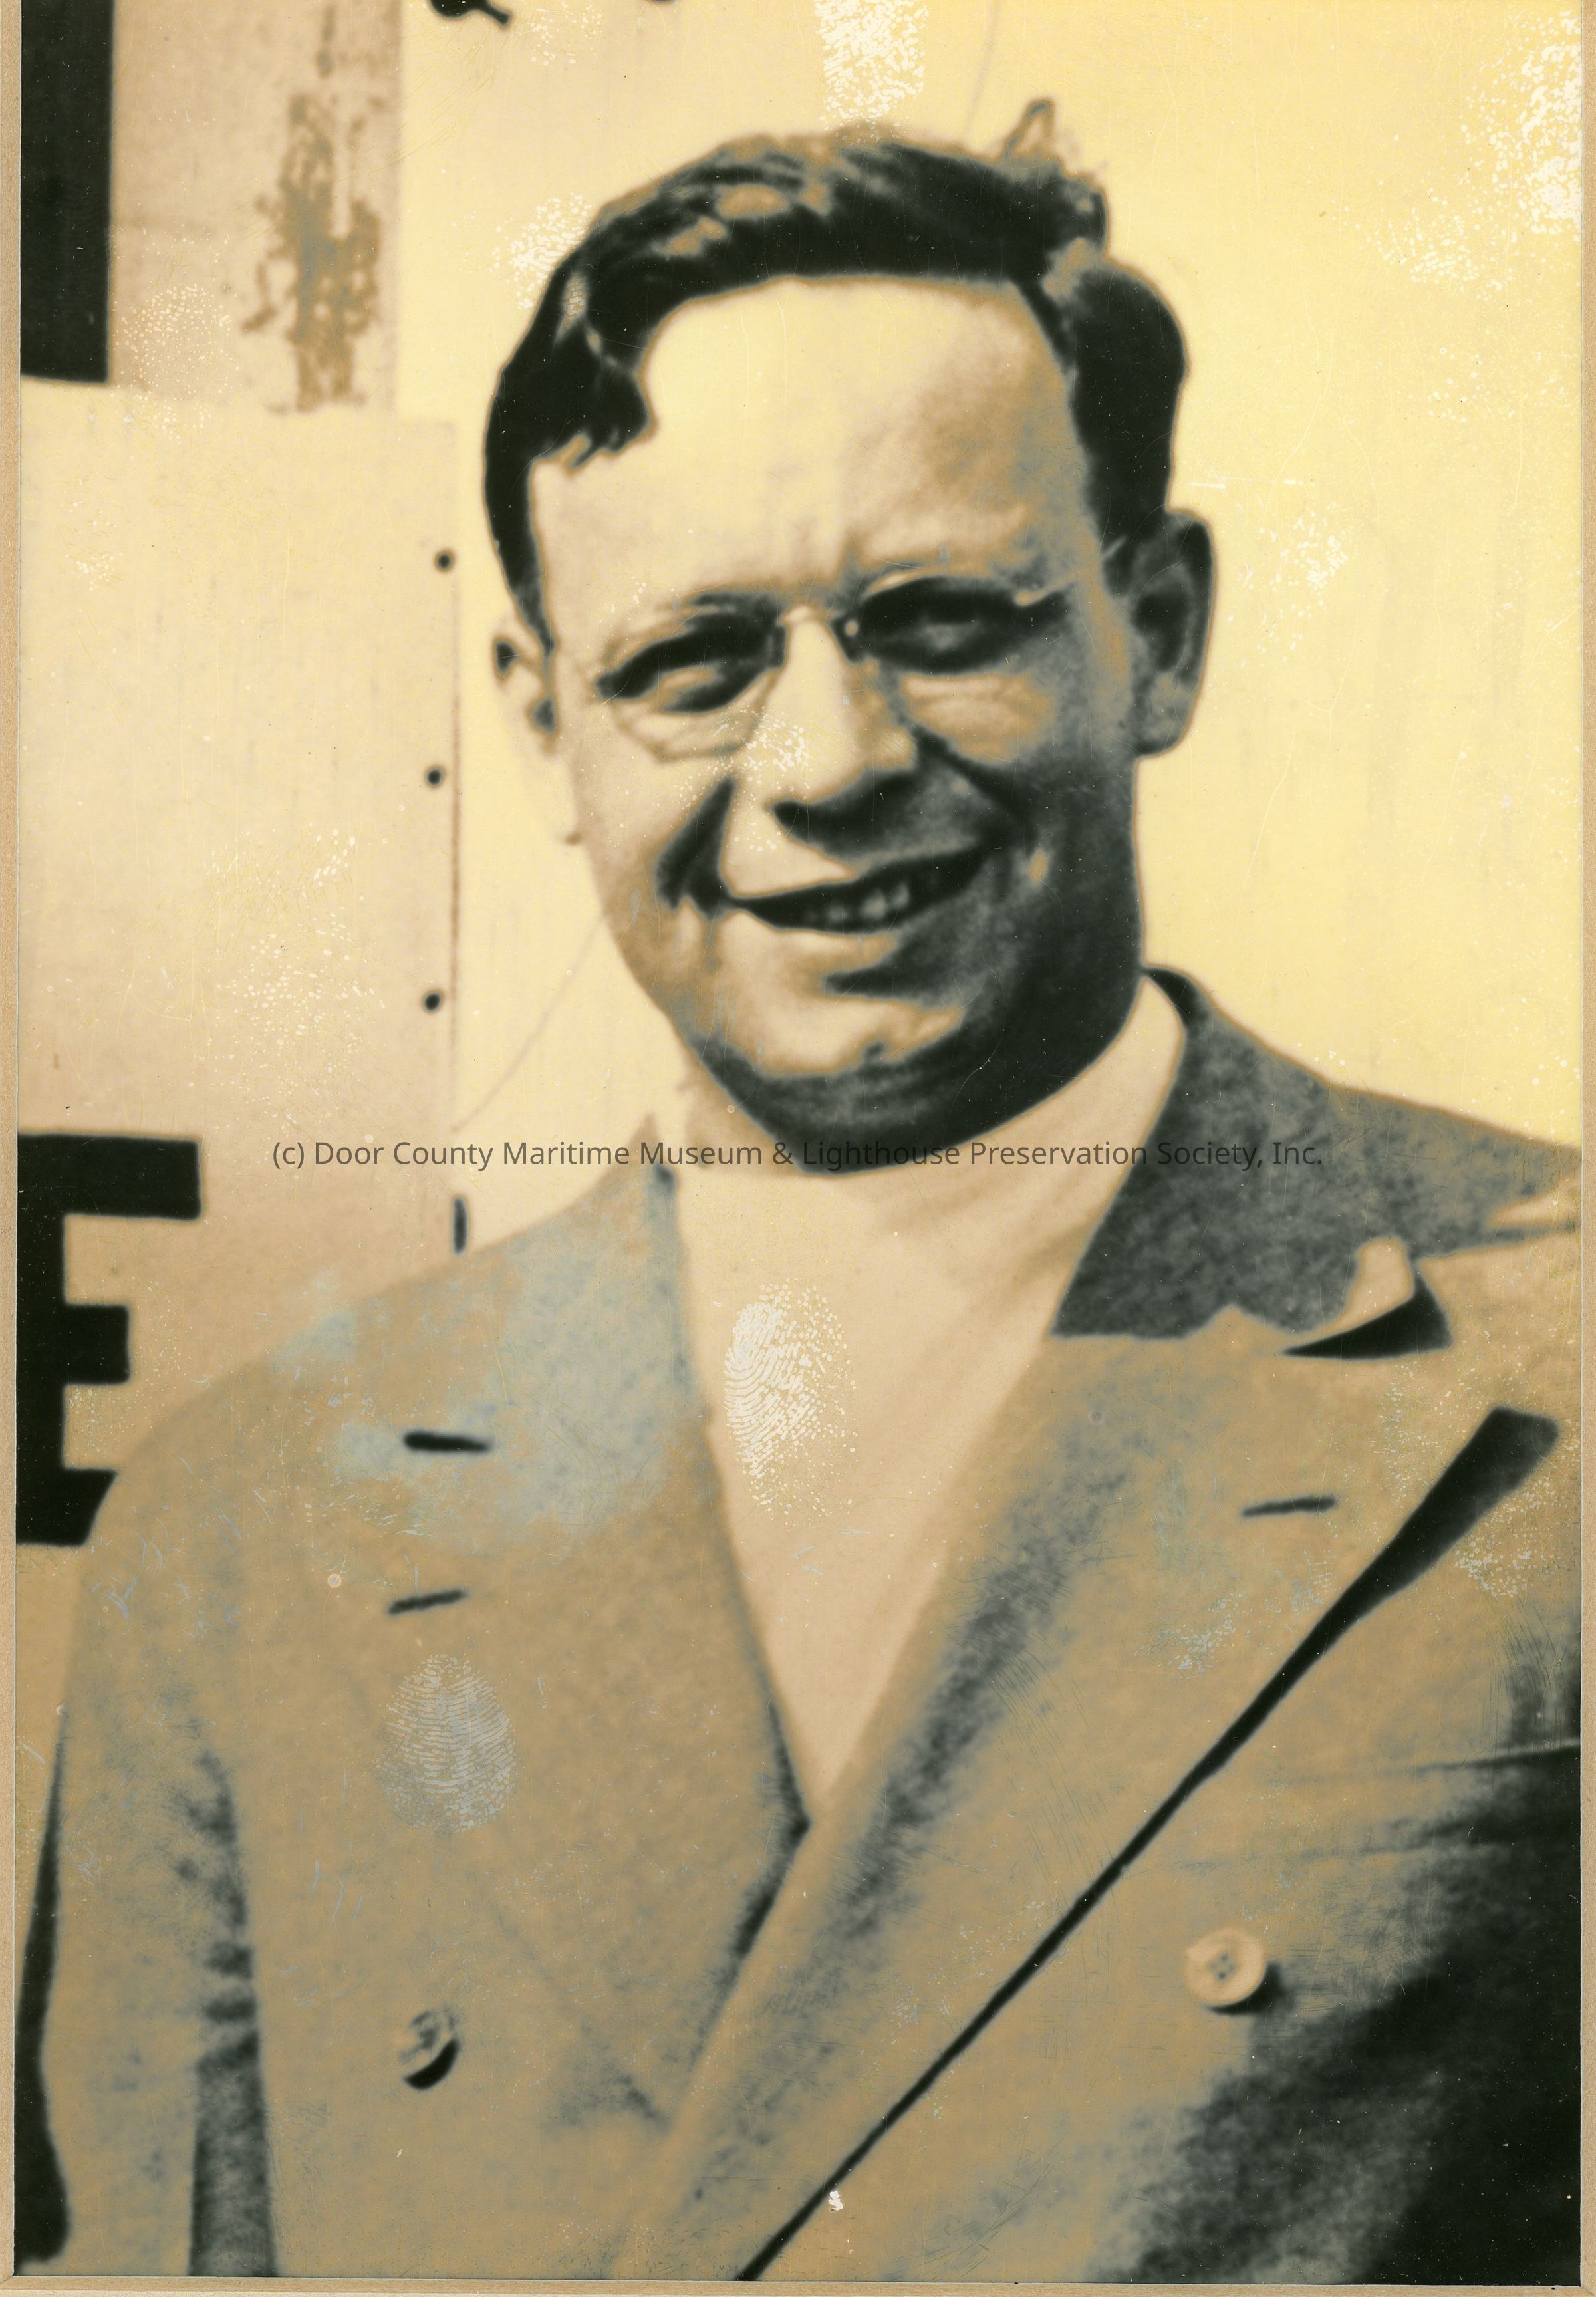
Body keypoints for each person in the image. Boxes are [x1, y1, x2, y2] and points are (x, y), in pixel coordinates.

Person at [33, 111, 1577, 2280]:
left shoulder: (1546, 1388)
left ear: (1159, 632)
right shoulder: (253, 1540)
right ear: (542, 720)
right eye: (695, 663)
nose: (832, 759)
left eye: (943, 620)